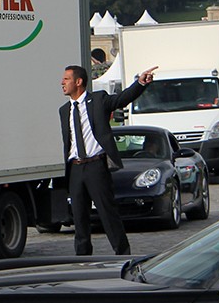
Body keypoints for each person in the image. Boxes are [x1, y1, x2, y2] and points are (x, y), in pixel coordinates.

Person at [59, 62, 157, 255]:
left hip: (96, 166)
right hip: (76, 169)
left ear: (79, 82)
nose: (62, 82)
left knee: (107, 213)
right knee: (79, 218)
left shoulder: (98, 101)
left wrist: (140, 84)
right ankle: (82, 259)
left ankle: (122, 254)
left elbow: (121, 99)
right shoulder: (64, 111)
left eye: (66, 79)